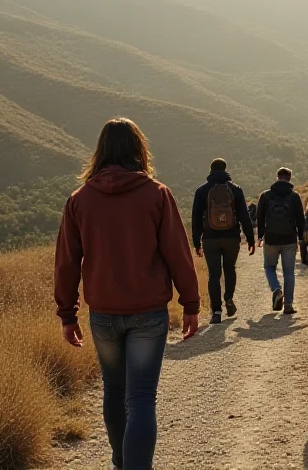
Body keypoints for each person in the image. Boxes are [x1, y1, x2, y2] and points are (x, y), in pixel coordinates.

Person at [55, 118, 201, 470]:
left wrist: (67, 314)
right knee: (140, 400)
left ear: (100, 152)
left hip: (103, 314)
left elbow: (66, 263)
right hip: (148, 313)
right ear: (139, 149)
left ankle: (121, 462)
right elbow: (177, 254)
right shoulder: (157, 194)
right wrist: (191, 305)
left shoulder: (79, 201)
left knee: (114, 392)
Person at [191, 158, 256, 325]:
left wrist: (197, 242)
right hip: (231, 238)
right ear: (226, 169)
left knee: (214, 274)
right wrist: (250, 239)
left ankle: (216, 312)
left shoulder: (202, 191)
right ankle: (228, 298)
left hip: (210, 239)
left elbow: (196, 219)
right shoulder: (235, 190)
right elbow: (244, 217)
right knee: (229, 269)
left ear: (210, 170)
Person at [257, 167, 305, 314]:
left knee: (269, 267)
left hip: (271, 238)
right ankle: (288, 304)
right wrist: (301, 237)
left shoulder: (266, 196)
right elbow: (300, 219)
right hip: (289, 239)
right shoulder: (294, 196)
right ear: (289, 178)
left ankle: (277, 289)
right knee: (289, 272)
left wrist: (260, 236)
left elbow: (260, 217)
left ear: (277, 177)